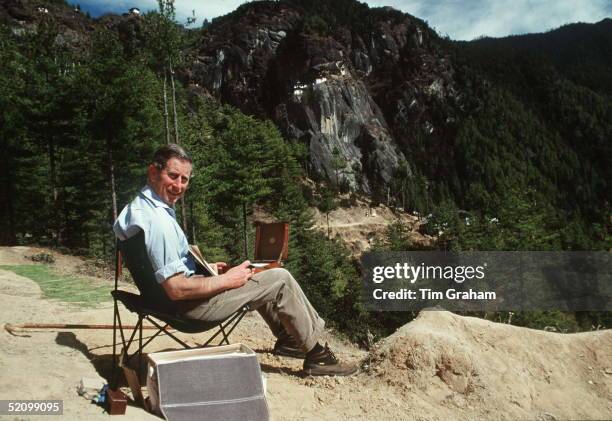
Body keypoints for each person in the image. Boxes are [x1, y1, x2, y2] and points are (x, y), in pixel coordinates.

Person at [113, 144, 358, 376]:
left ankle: (290, 341)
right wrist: (228, 280)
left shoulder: (137, 210)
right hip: (190, 309)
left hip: (163, 301)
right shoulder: (159, 222)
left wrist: (205, 269)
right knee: (280, 278)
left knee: (254, 273)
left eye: (184, 179)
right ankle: (317, 356)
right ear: (153, 172)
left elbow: (162, 266)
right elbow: (176, 289)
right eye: (173, 176)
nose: (179, 185)